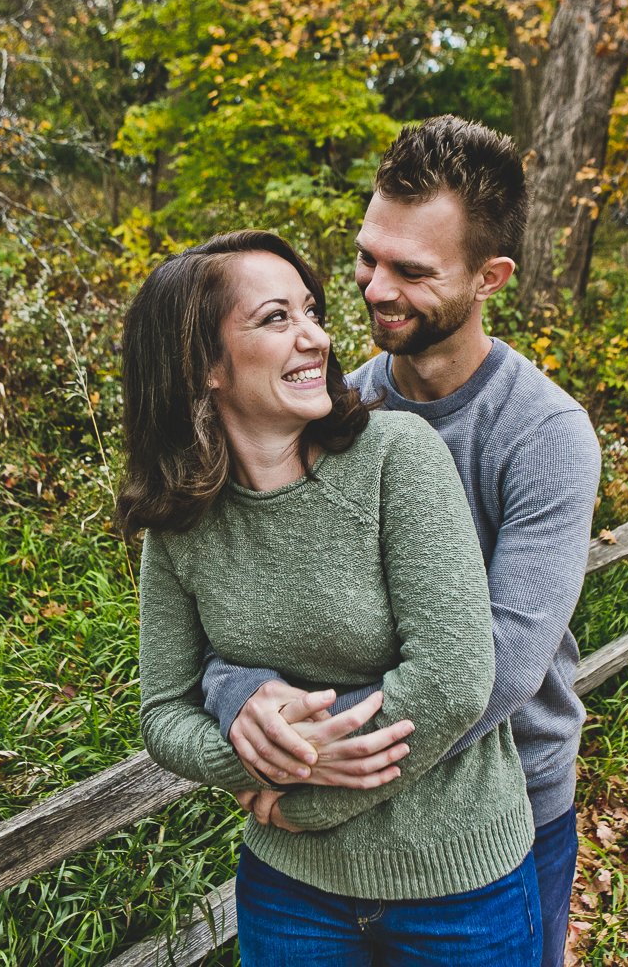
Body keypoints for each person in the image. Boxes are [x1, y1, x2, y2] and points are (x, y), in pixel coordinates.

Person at [200, 116, 602, 967]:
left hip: (502, 809)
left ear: (490, 277)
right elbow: (256, 596)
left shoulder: (543, 435)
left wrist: (305, 771)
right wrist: (239, 689)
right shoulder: (331, 411)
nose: (375, 289)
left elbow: (494, 664)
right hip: (332, 825)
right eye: (366, 257)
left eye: (412, 272)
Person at [119, 229, 541, 965]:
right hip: (290, 893)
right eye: (276, 318)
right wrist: (249, 758)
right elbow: (163, 711)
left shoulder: (395, 457)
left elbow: (453, 678)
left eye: (310, 311)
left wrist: (296, 798)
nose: (315, 336)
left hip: (457, 886)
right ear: (203, 364)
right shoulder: (180, 520)